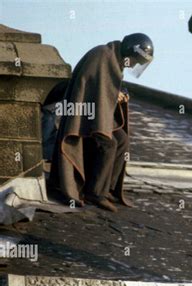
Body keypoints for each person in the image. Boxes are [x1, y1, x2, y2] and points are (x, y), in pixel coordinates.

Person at [50, 33, 154, 212]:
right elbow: (93, 88)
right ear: (130, 50)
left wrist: (119, 93)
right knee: (109, 144)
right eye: (135, 59)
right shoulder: (103, 55)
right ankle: (95, 192)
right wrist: (115, 94)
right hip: (85, 114)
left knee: (122, 140)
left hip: (97, 113)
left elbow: (105, 88)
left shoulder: (114, 59)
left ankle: (108, 189)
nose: (134, 64)